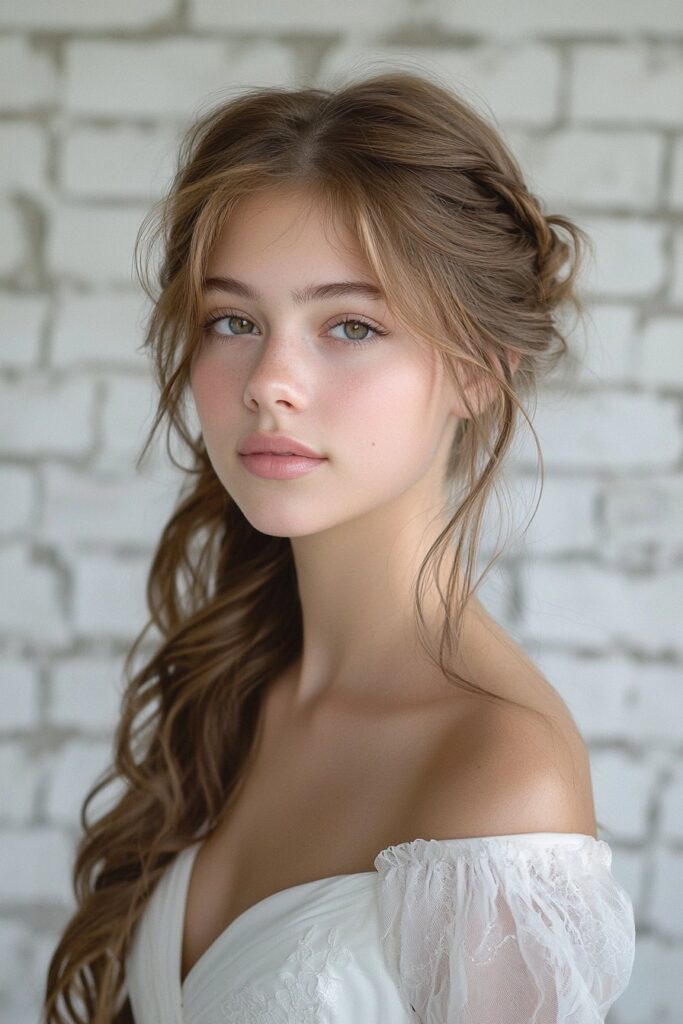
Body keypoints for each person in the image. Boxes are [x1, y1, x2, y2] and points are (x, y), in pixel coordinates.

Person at [43, 68, 635, 1023]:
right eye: (234, 321)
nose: (269, 381)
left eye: (349, 326)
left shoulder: (498, 778)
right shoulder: (239, 691)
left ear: (481, 370)